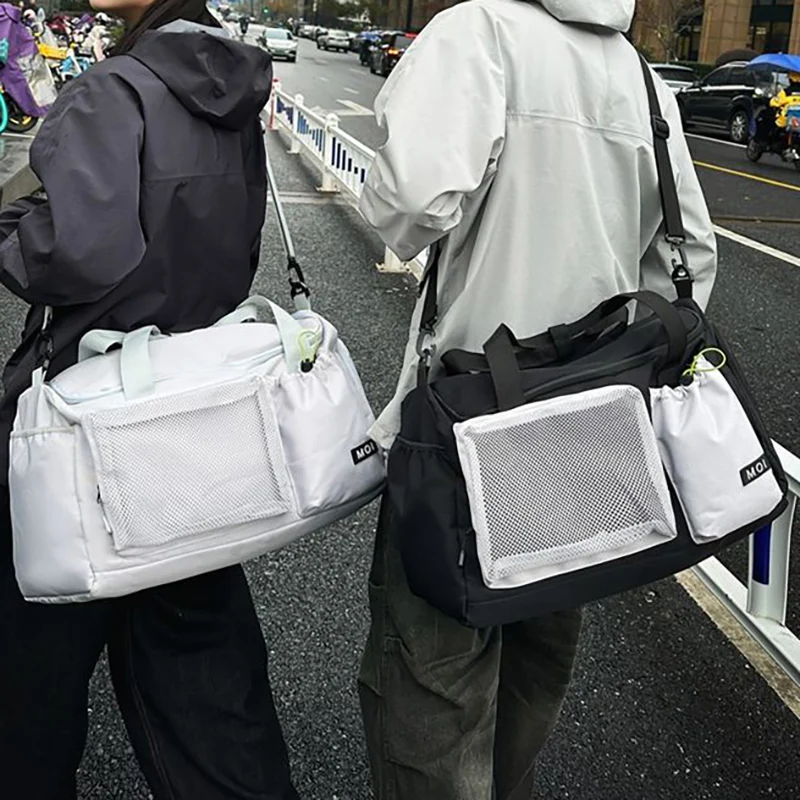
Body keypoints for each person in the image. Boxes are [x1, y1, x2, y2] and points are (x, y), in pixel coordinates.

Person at [358, 1, 717, 799]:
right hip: (590, 422)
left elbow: (409, 207)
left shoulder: (478, 32)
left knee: (434, 671)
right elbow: (689, 254)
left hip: (469, 418)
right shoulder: (642, 75)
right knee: (536, 647)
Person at [0, 1, 300, 799]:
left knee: (29, 673)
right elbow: (238, 251)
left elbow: (73, 252)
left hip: (86, 416)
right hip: (190, 413)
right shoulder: (237, 90)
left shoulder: (114, 90)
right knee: (206, 679)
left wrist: (9, 229)